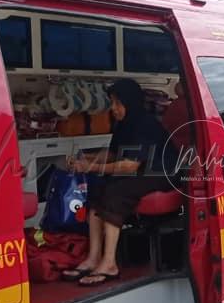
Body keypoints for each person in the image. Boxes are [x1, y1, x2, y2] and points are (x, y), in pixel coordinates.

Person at [62, 79, 177, 286]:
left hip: (162, 174)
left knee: (116, 192)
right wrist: (86, 158)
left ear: (130, 102)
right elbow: (114, 154)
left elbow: (129, 166)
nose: (113, 108)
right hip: (141, 171)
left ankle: (109, 263)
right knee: (98, 188)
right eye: (112, 102)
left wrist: (91, 167)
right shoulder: (124, 123)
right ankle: (93, 258)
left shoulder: (145, 124)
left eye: (117, 103)